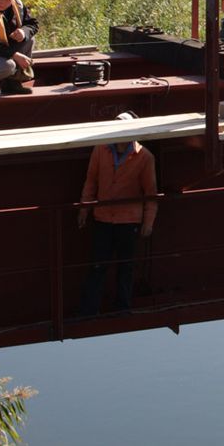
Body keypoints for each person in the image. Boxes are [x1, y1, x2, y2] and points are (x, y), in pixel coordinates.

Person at [77, 111, 158, 316]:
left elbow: (150, 193)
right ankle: (89, 310)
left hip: (128, 220)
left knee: (126, 266)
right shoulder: (100, 149)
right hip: (103, 217)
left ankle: (122, 308)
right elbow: (91, 180)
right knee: (97, 266)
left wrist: (148, 222)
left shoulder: (144, 157)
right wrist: (84, 208)